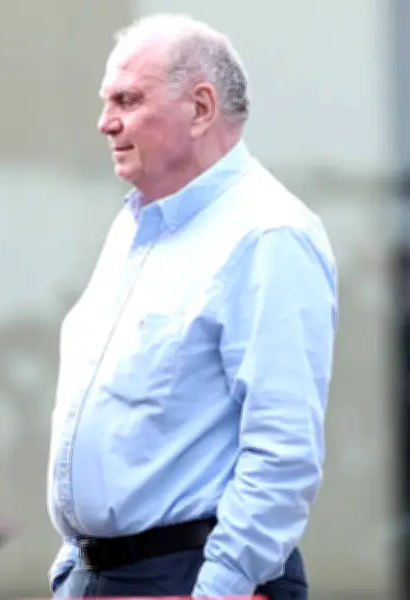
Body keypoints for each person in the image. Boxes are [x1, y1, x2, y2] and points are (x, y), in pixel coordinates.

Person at [46, 13, 337, 600]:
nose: (105, 122)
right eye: (106, 101)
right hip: (107, 576)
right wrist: (73, 564)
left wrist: (218, 589)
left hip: (193, 577)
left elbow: (283, 453)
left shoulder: (268, 234)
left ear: (201, 108)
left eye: (128, 99)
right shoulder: (136, 225)